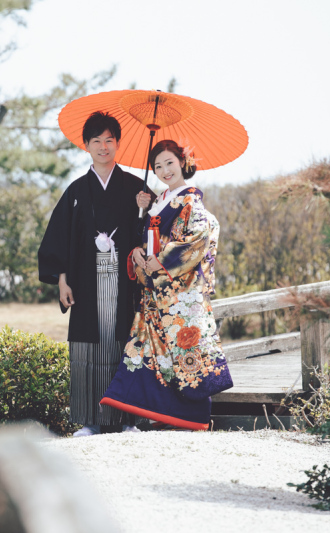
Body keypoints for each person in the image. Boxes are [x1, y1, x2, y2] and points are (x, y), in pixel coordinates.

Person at [100, 139, 234, 430]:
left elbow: (197, 238)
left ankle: (194, 418)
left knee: (186, 354)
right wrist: (138, 244)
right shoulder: (158, 201)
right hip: (156, 294)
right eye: (157, 166)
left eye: (169, 163)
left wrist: (159, 262)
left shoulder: (190, 202)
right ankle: (158, 414)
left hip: (180, 295)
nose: (163, 170)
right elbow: (143, 240)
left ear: (183, 163)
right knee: (149, 352)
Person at [38, 111, 153, 437]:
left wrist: (145, 209)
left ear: (118, 144)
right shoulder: (76, 191)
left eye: (109, 140)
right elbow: (58, 239)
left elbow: (150, 234)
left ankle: (129, 420)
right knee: (88, 351)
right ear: (86, 146)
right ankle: (90, 421)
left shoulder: (136, 187)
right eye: (97, 141)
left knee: (124, 346)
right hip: (86, 283)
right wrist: (61, 280)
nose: (104, 147)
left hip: (124, 283)